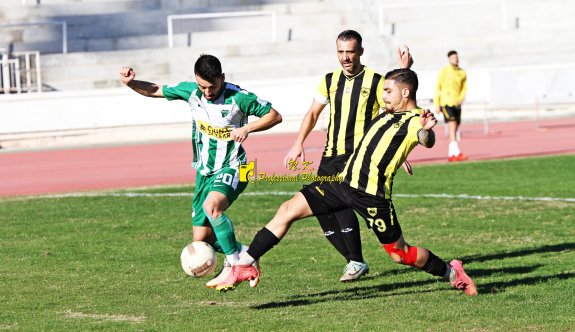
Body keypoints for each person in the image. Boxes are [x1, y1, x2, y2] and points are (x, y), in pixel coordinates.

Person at [217, 68, 478, 296]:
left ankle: (452, 273)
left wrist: (427, 131)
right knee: (287, 209)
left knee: (400, 254)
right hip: (341, 183)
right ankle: (245, 264)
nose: (383, 95)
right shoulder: (388, 110)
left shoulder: (415, 119)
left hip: (372, 197)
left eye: (388, 91)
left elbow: (424, 138)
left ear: (405, 94)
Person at [119, 54, 282, 288]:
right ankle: (247, 254)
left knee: (212, 207)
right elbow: (155, 89)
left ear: (222, 78)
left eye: (212, 86)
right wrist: (131, 83)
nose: (206, 92)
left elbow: (275, 116)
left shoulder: (239, 97)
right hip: (204, 172)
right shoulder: (191, 92)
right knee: (202, 239)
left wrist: (248, 128)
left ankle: (235, 265)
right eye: (201, 86)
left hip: (238, 166)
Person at [283, 30, 414, 282]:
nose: (345, 57)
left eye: (350, 52)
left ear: (360, 52)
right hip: (330, 154)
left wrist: (399, 149)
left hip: (356, 157)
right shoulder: (329, 80)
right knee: (322, 209)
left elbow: (393, 111)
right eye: (341, 52)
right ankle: (355, 261)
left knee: (341, 205)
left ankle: (356, 260)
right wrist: (298, 143)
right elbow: (312, 113)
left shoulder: (375, 81)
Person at [433, 50, 468, 162]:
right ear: (449, 59)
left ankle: (451, 153)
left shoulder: (462, 72)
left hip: (457, 103)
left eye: (456, 58)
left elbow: (464, 87)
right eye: (453, 58)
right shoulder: (444, 71)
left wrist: (461, 98)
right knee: (452, 126)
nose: (455, 60)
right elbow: (437, 88)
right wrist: (437, 104)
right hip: (446, 102)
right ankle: (457, 151)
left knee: (456, 126)